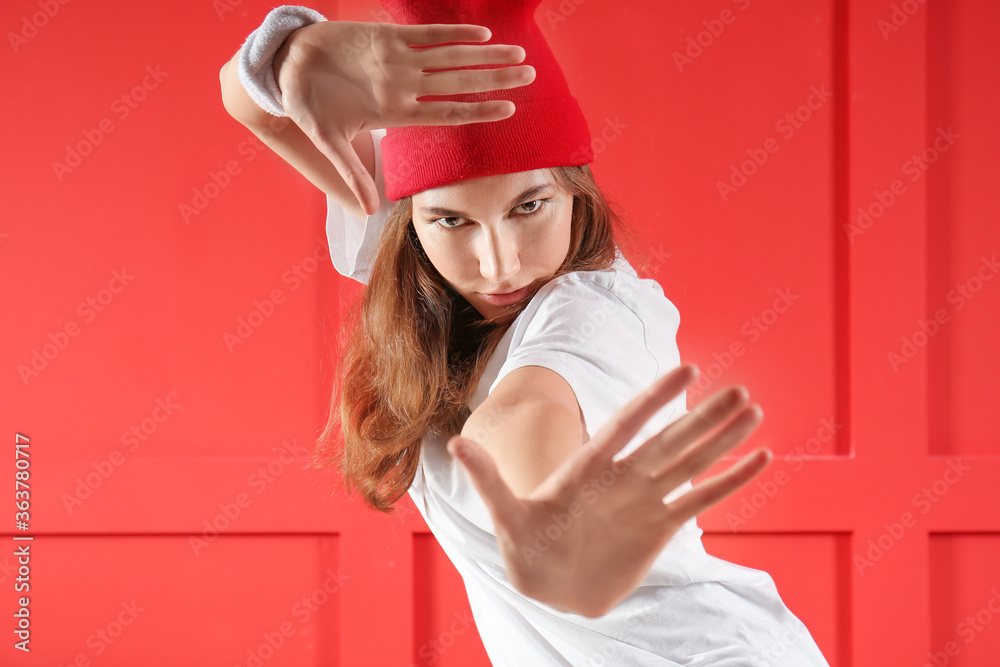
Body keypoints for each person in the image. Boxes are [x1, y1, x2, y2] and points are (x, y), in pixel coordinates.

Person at [220, 3, 831, 665]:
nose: (499, 262)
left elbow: (524, 411)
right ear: (408, 219)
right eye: (452, 221)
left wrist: (548, 522)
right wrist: (292, 51)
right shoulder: (417, 253)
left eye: (529, 206)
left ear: (574, 189)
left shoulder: (601, 312)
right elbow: (247, 102)